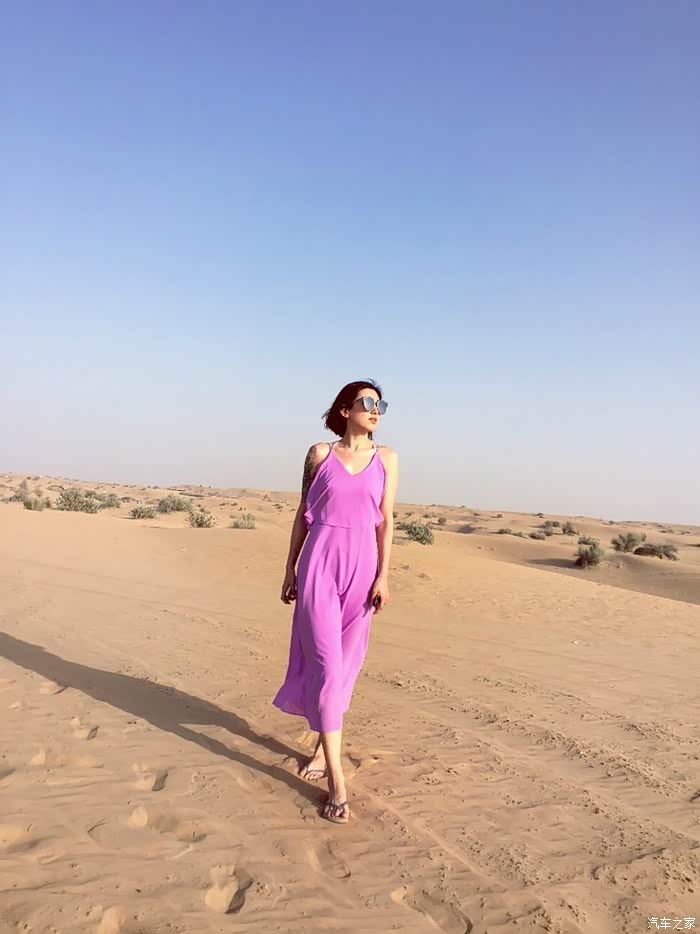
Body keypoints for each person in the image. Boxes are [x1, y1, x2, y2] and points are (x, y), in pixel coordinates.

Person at [272, 379, 398, 824]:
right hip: (320, 567)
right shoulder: (320, 454)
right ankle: (338, 783)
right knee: (326, 666)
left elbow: (386, 522)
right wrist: (289, 568)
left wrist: (383, 575)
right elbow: (302, 514)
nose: (376, 410)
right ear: (345, 410)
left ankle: (322, 749)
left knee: (344, 669)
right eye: (367, 402)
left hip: (363, 571)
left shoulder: (387, 458)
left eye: (381, 404)